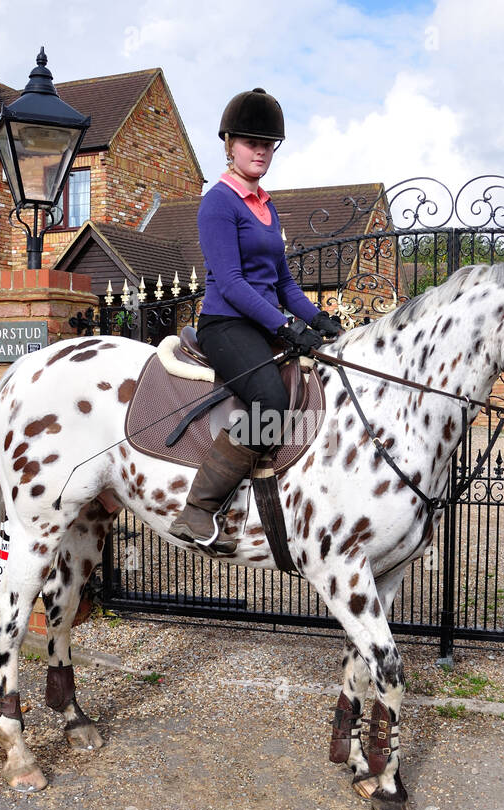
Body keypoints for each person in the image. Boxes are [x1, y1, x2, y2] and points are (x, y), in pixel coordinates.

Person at [168, 88, 343, 554]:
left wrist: (320, 319)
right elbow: (231, 282)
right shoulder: (218, 203)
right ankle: (198, 508)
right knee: (269, 397)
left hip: (263, 321)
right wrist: (286, 327)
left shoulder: (268, 207)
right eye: (251, 142)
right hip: (226, 323)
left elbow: (283, 283)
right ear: (229, 145)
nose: (260, 150)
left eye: (267, 143)